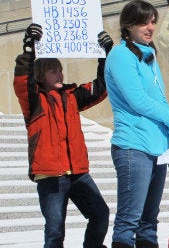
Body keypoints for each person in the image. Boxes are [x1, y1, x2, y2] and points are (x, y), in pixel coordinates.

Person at [13, 24, 112, 248]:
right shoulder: (34, 100)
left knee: (100, 214)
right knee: (55, 231)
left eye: (60, 70)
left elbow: (101, 86)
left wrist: (106, 54)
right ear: (41, 76)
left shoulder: (72, 96)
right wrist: (29, 48)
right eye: (53, 71)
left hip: (77, 173)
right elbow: (22, 81)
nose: (60, 74)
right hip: (50, 175)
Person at [105, 0, 169, 248]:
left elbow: (159, 98)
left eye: (153, 22)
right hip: (133, 146)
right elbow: (138, 100)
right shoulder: (121, 54)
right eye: (143, 22)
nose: (150, 27)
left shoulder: (148, 55)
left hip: (156, 147)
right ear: (128, 25)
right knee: (130, 220)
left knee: (149, 221)